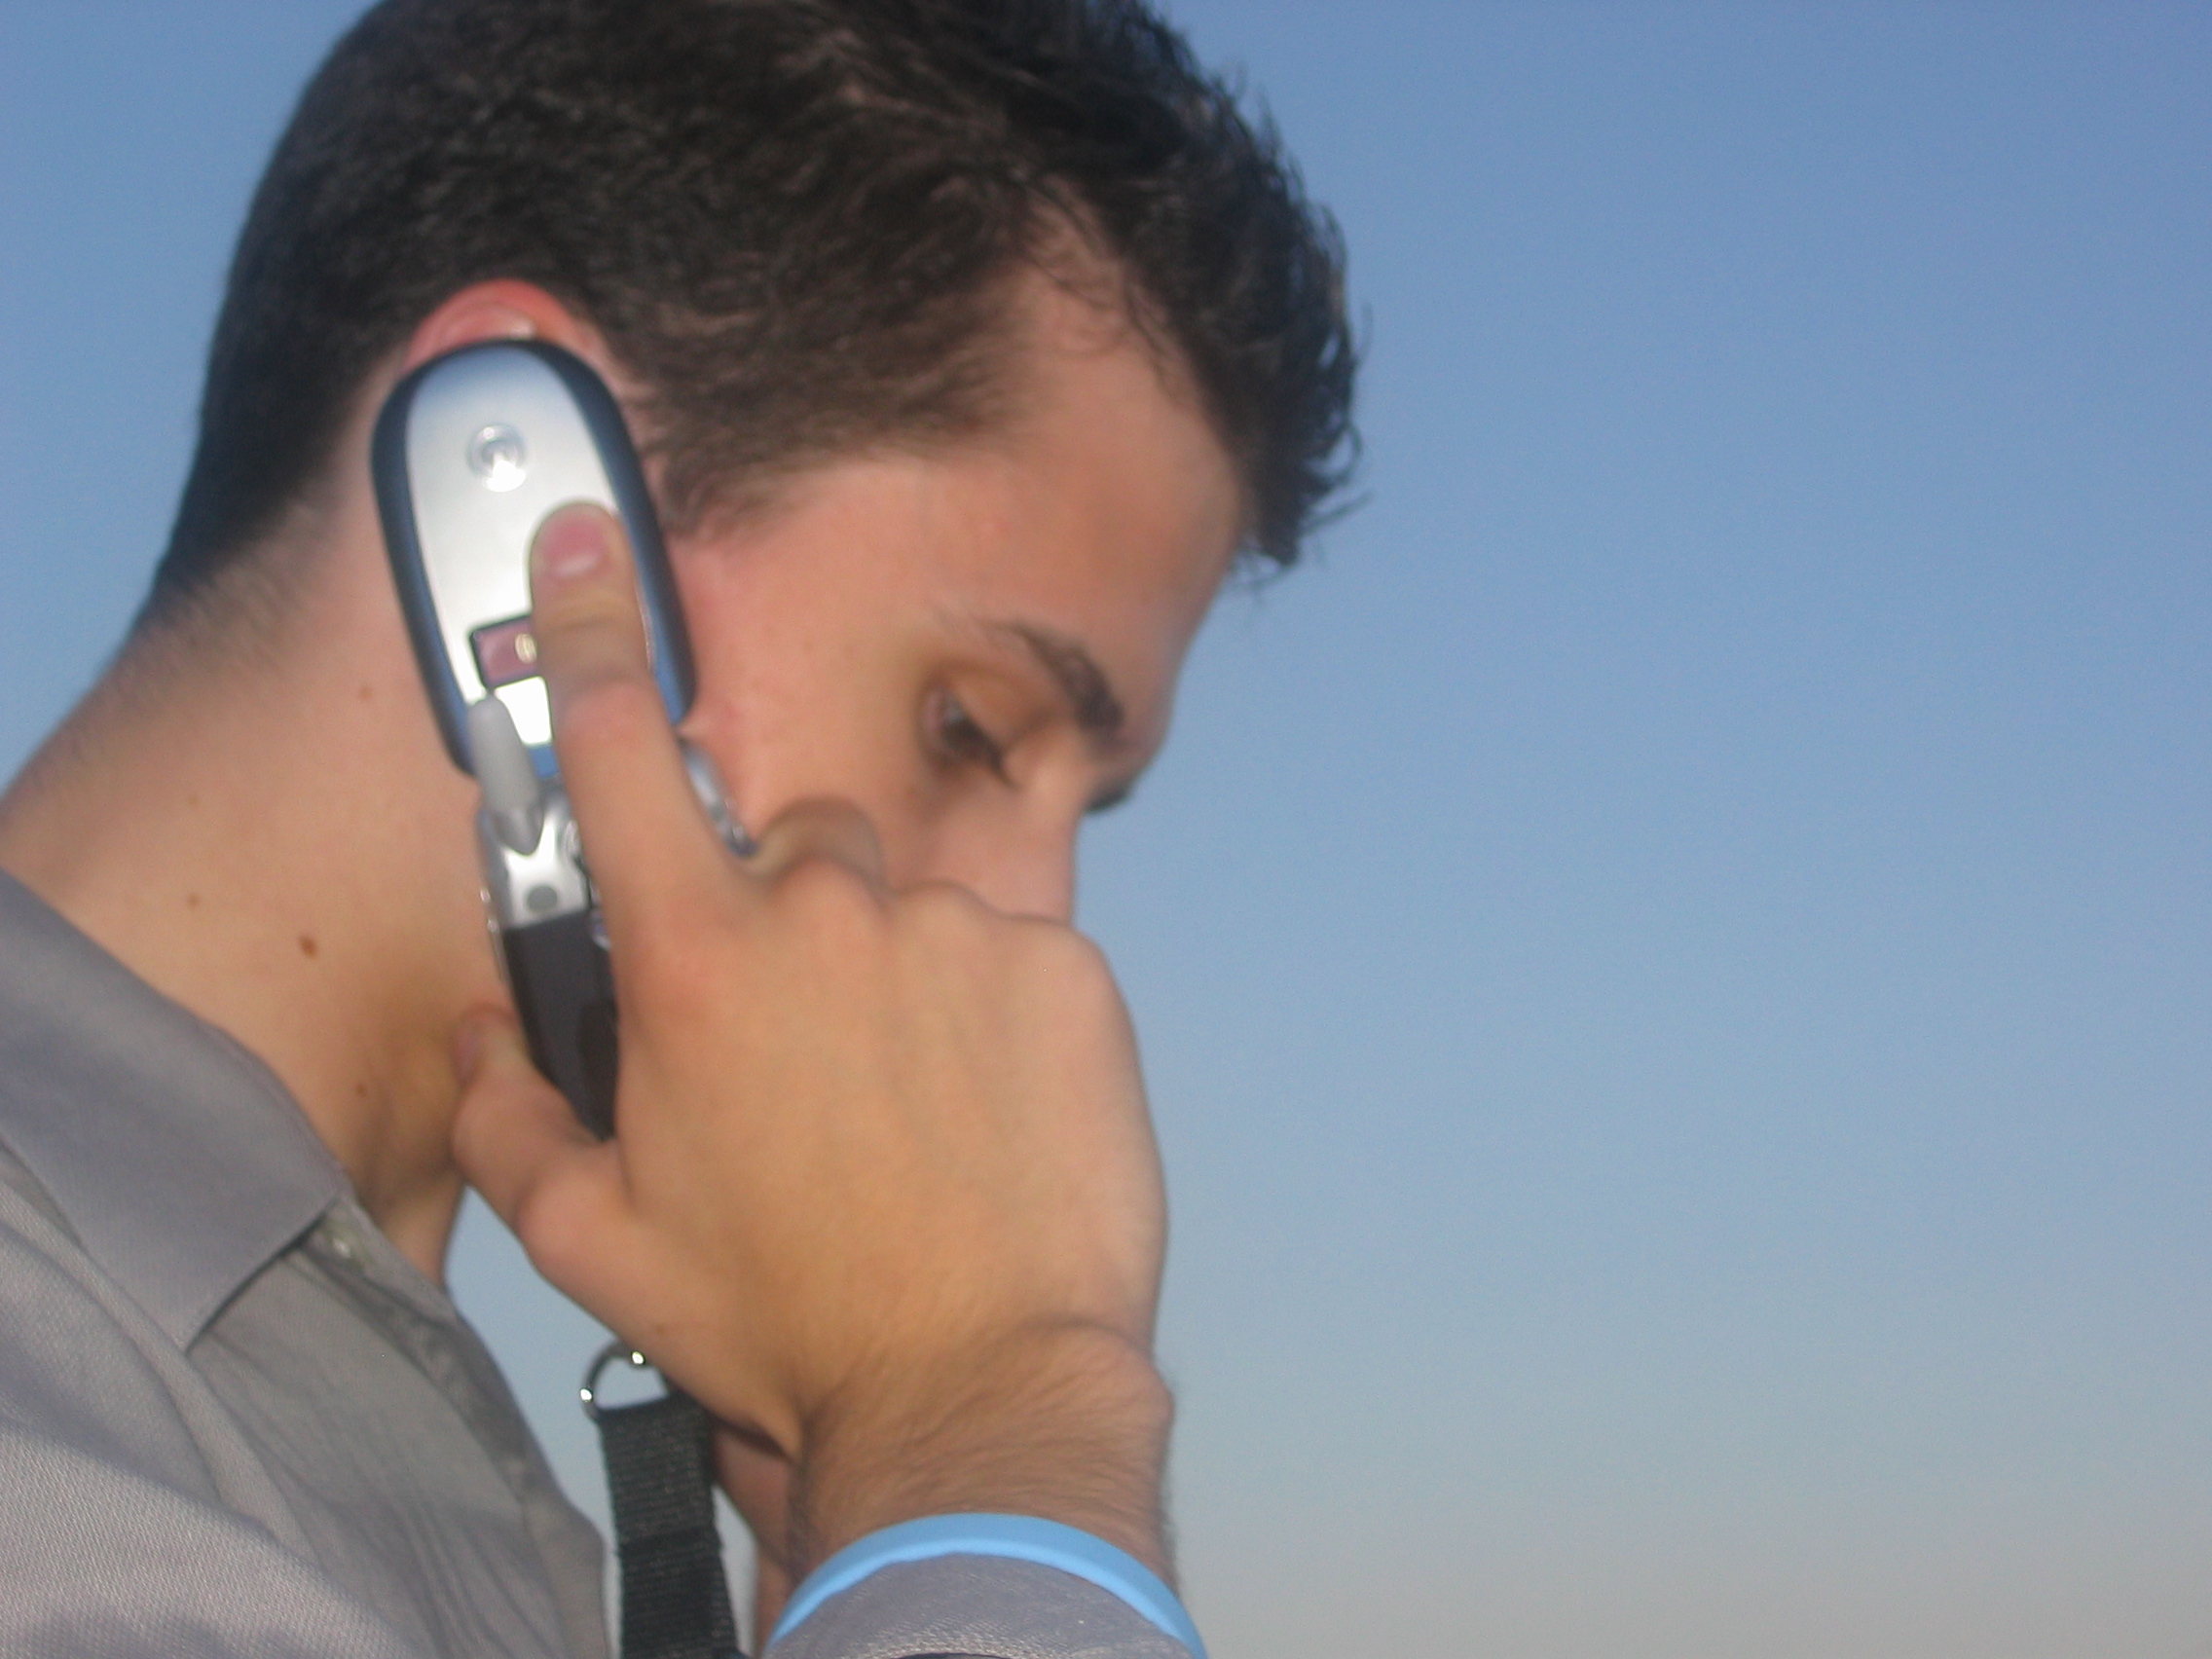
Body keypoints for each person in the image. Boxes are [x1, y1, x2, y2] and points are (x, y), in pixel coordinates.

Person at [0, 1, 1354, 1655]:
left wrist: (862, 1546)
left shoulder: (419, 1458)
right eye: (969, 727)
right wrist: (983, 1428)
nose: (1033, 924)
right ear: (515, 512)